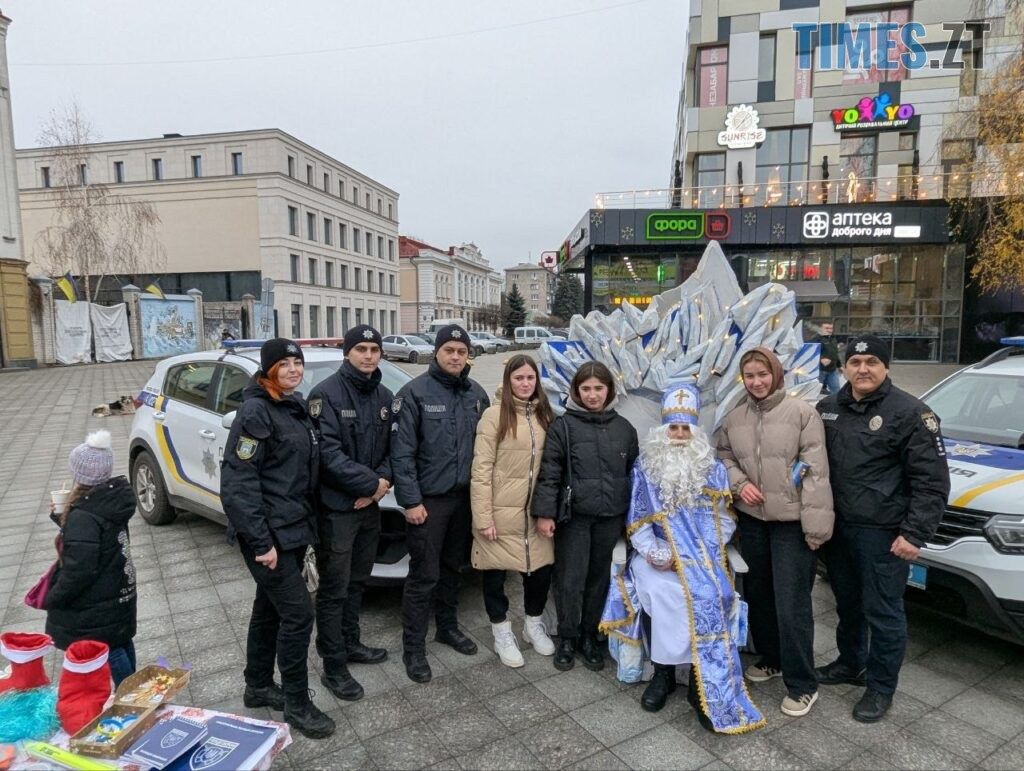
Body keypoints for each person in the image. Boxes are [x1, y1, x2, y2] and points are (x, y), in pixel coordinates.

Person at [599, 384, 765, 734]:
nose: (678, 435)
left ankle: (699, 684)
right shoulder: (646, 468)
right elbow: (637, 521)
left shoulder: (713, 469)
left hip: (701, 559)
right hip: (657, 558)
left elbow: (724, 519)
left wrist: (703, 550)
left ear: (695, 431)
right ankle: (661, 676)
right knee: (663, 594)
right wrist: (657, 553)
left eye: (685, 428)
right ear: (663, 430)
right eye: (672, 428)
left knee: (711, 596)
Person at [815, 335, 950, 723]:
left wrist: (915, 534)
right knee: (848, 605)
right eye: (855, 362)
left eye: (871, 362)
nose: (862, 369)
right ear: (844, 369)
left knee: (884, 612)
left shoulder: (910, 413)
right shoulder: (828, 408)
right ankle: (851, 664)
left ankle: (880, 686)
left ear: (885, 367)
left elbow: (932, 482)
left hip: (884, 534)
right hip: (839, 530)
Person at [220, 338, 335, 740]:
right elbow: (238, 484)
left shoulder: (294, 406)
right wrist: (260, 542)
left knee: (269, 609)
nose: (292, 369)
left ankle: (257, 686)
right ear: (268, 369)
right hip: (268, 536)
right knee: (299, 614)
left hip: (293, 528)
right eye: (283, 363)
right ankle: (297, 703)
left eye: (297, 362)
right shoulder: (255, 412)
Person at [716, 348, 834, 718]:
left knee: (792, 604)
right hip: (752, 521)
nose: (756, 382)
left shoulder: (802, 414)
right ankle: (772, 658)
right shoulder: (735, 418)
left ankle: (803, 683)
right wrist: (738, 483)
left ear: (776, 374)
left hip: (791, 525)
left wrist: (816, 530)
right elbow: (723, 457)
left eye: (762, 374)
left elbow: (816, 473)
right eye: (749, 375)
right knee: (760, 596)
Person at [392, 324, 490, 683]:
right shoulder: (414, 393)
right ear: (436, 352)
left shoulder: (477, 394)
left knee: (454, 569)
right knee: (424, 575)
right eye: (448, 350)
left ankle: (447, 628)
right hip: (429, 503)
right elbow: (401, 454)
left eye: (461, 352)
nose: (454, 357)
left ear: (468, 356)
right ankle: (413, 649)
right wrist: (411, 501)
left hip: (464, 500)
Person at [531, 361, 638, 672]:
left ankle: (589, 636)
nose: (592, 395)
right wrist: (545, 513)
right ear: (576, 391)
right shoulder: (563, 427)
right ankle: (567, 637)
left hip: (610, 518)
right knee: (570, 579)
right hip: (574, 518)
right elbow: (549, 473)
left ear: (609, 391)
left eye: (598, 388)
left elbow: (634, 474)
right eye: (586, 388)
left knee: (598, 580)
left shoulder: (624, 428)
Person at [307, 324, 393, 702]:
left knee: (358, 582)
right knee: (333, 590)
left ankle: (351, 643)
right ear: (347, 353)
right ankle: (333, 665)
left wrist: (381, 485)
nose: (369, 355)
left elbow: (395, 449)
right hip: (337, 510)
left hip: (368, 508)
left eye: (374, 349)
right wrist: (369, 486)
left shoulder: (385, 396)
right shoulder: (324, 395)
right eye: (361, 349)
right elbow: (326, 455)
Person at [470, 355, 557, 668]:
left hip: (536, 511)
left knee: (539, 572)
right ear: (508, 381)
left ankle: (533, 624)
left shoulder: (546, 416)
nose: (524, 384)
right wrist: (483, 517)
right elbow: (481, 469)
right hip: (499, 512)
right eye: (518, 378)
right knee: (494, 575)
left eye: (530, 378)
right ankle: (502, 631)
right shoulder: (494, 416)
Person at [45, 429, 138, 686]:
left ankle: (130, 697)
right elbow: (94, 538)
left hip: (96, 601)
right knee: (120, 641)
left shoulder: (84, 515)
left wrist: (53, 597)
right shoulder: (108, 501)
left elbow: (79, 569)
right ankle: (135, 692)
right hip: (117, 593)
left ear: (79, 474)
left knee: (110, 649)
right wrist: (62, 518)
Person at [813, 322, 841, 394]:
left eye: (831, 328)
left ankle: (837, 405)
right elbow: (810, 352)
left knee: (836, 390)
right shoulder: (816, 339)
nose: (829, 330)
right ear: (820, 329)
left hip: (832, 370)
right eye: (827, 328)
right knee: (815, 391)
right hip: (820, 371)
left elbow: (834, 353)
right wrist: (821, 359)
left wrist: (840, 366)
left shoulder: (833, 339)